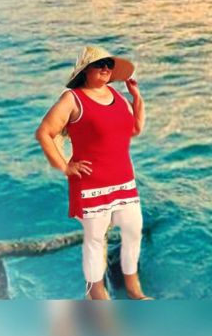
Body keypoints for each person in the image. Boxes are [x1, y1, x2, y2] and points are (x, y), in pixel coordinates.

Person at [35, 45, 151, 300]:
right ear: (85, 70)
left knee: (133, 230)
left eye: (109, 65)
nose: (106, 68)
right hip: (92, 183)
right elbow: (44, 132)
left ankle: (133, 289)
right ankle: (97, 294)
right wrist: (64, 166)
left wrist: (136, 97)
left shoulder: (117, 96)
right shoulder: (72, 99)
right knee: (96, 240)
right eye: (100, 64)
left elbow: (135, 129)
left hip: (123, 181)